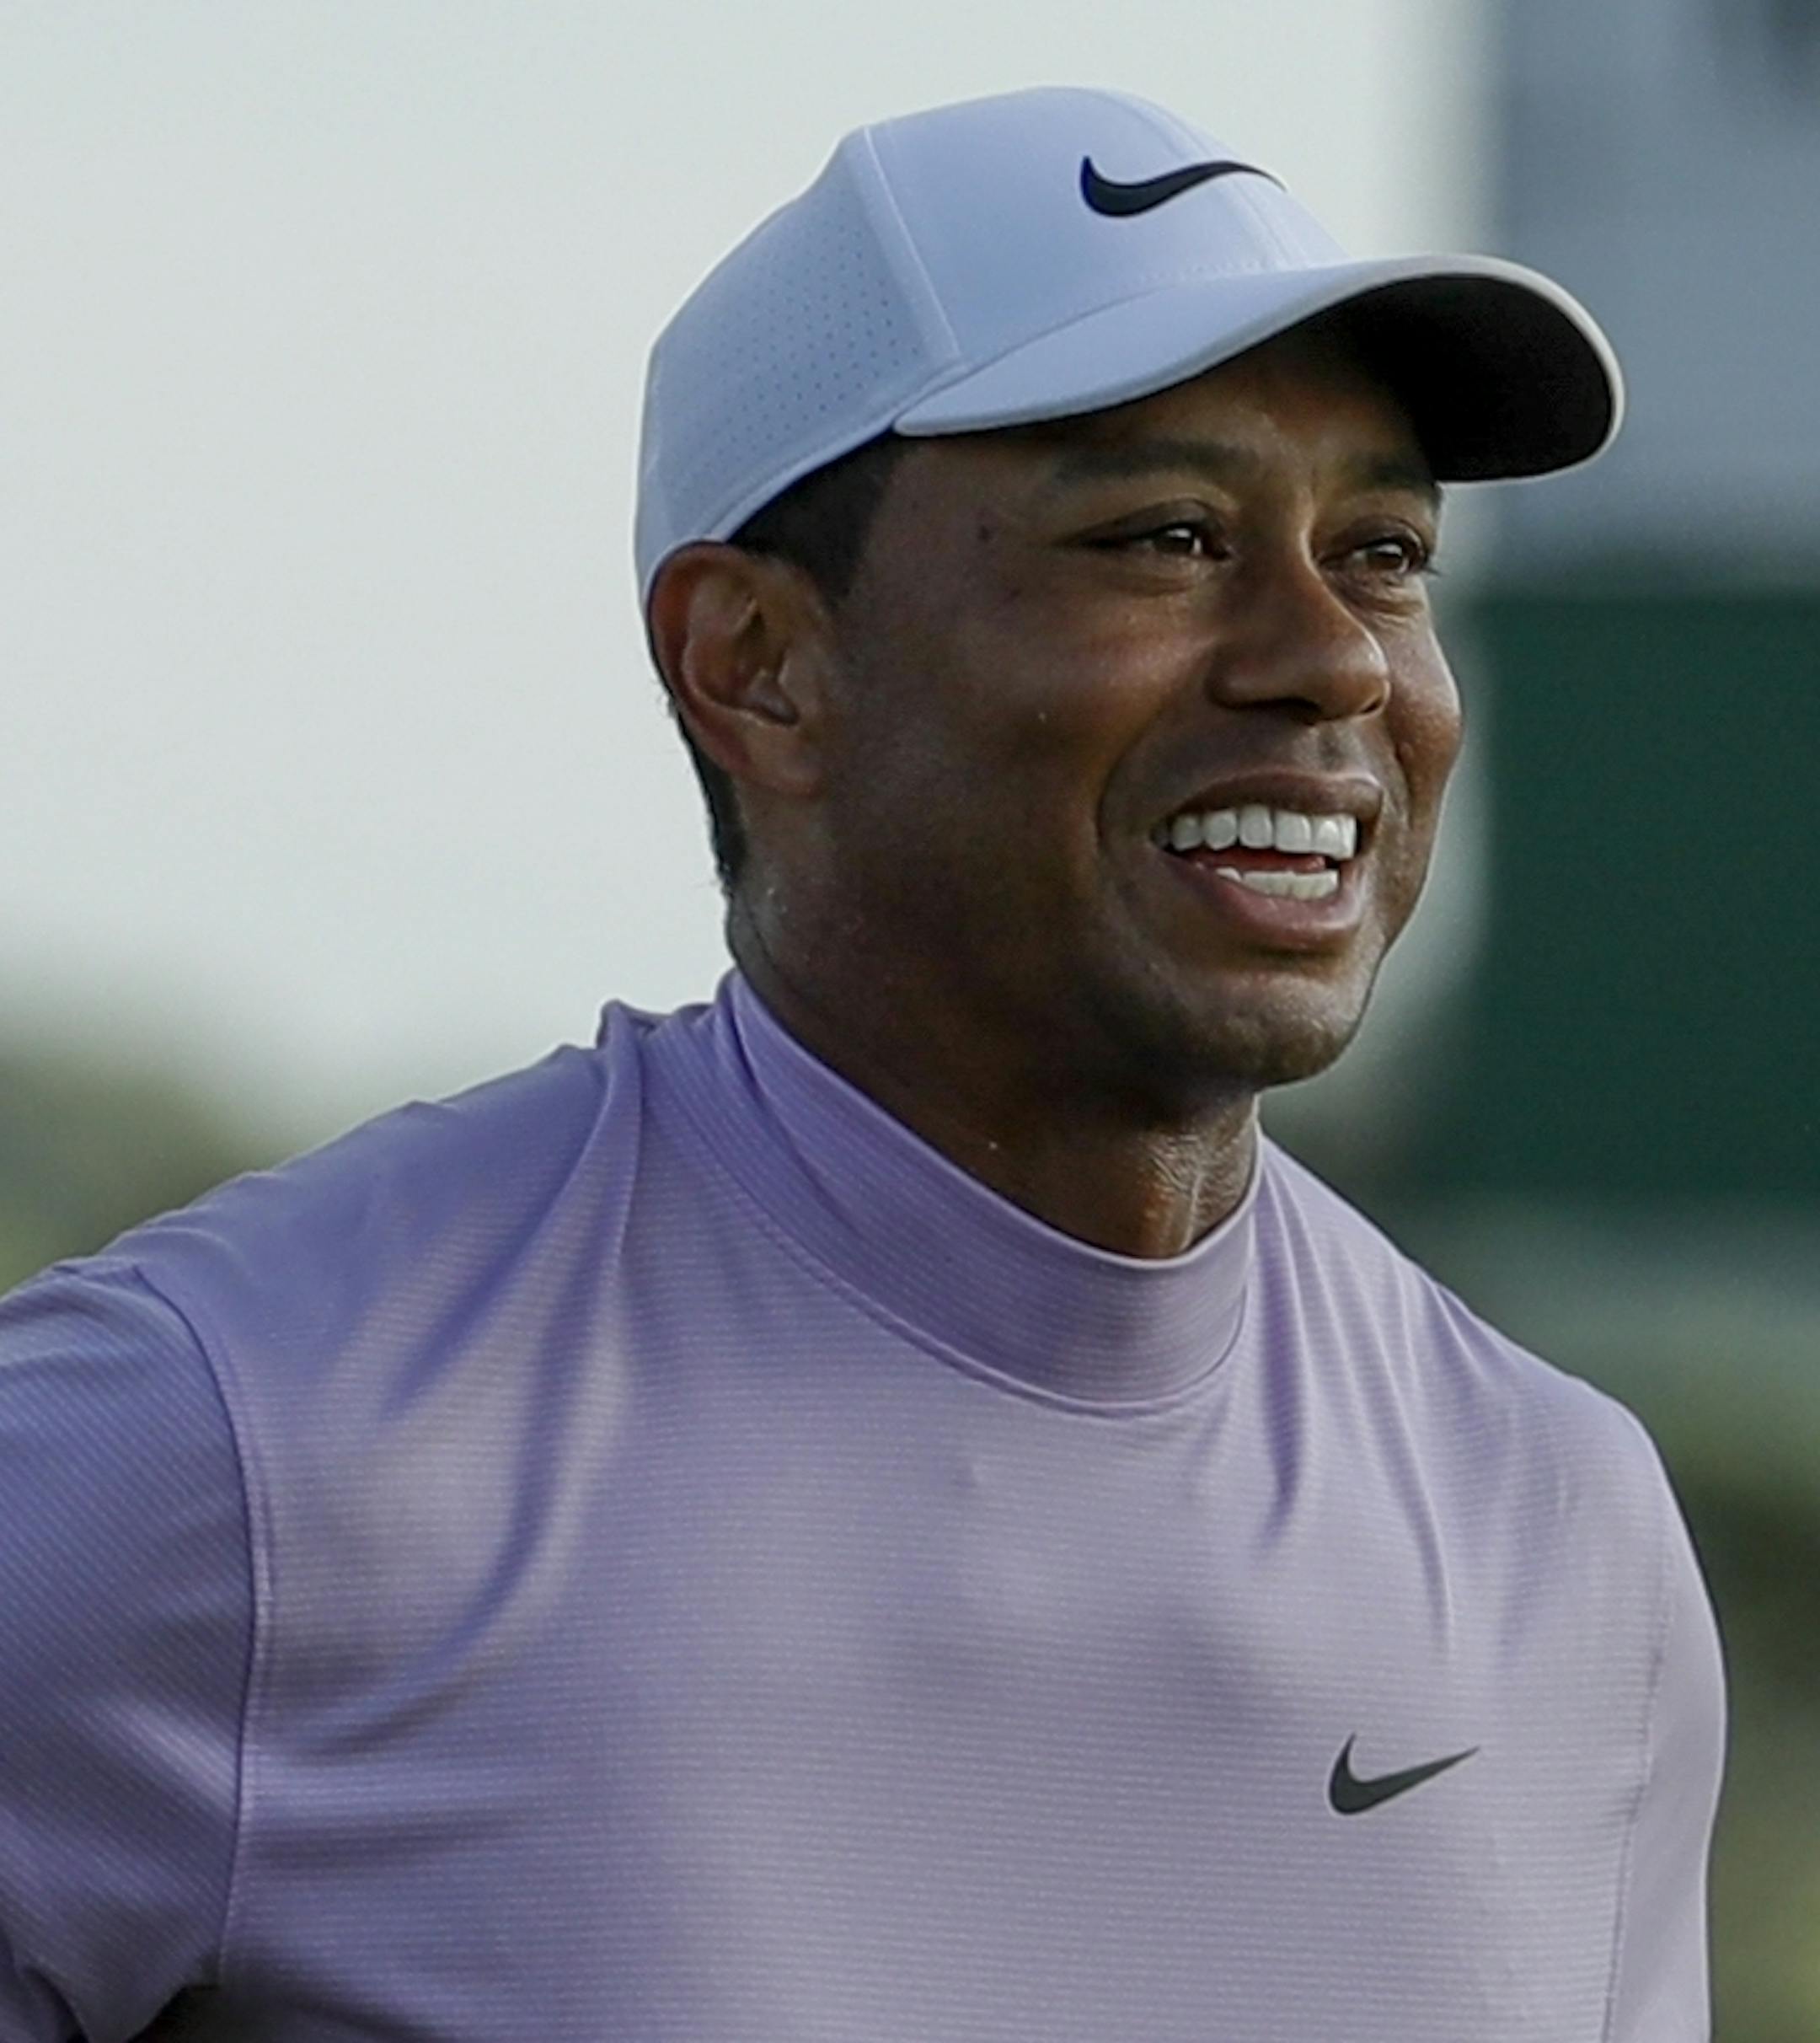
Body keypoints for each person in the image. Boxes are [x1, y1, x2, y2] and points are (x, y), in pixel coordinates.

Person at [0, 85, 1724, 2043]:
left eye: (1386, 549)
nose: (1331, 657)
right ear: (756, 662)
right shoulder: (209, 1449)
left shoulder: (1564, 1528)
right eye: (1166, 536)